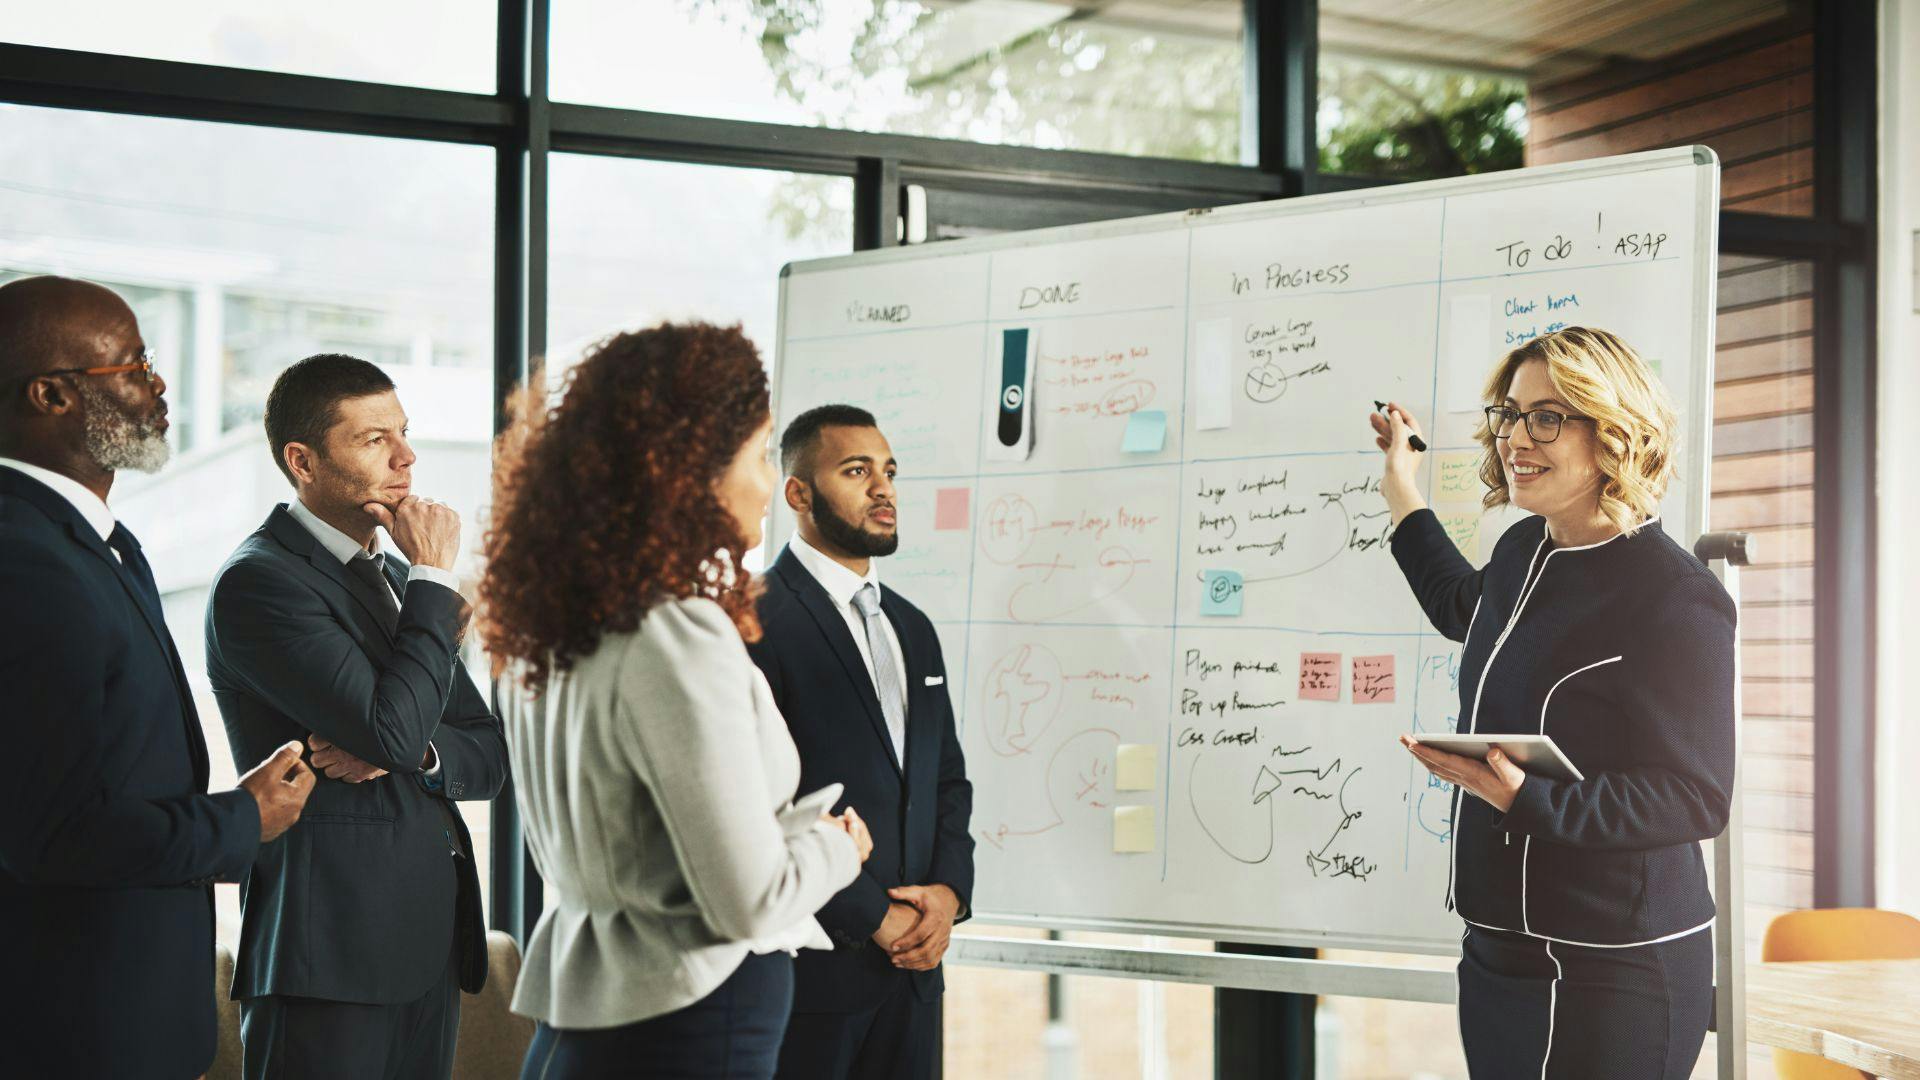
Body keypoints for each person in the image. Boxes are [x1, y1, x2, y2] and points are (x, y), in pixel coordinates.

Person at [483, 323, 871, 1080]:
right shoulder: (675, 635)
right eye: (759, 452)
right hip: (688, 1028)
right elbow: (752, 903)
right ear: (687, 467)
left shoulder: (555, 628)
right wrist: (836, 847)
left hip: (584, 1024)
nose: (770, 483)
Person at [1374, 326, 1735, 1078]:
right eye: (1510, 414)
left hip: (1618, 966)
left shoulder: (1676, 598)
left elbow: (1694, 797)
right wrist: (1401, 488)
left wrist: (1527, 799)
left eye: (1547, 416)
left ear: (1613, 433)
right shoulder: (1521, 551)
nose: (1515, 438)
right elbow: (1454, 603)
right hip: (1499, 950)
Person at [0, 275, 314, 1079]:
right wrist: (241, 819)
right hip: (77, 1031)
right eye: (133, 364)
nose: (157, 383)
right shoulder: (26, 562)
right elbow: (52, 834)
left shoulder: (93, 542)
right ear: (50, 395)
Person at [205, 353, 509, 1080]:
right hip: (326, 954)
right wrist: (438, 581)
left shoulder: (401, 576)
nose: (406, 457)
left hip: (425, 946)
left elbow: (488, 756)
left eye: (403, 433)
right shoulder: (260, 582)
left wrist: (414, 750)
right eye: (373, 439)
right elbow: (391, 730)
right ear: (302, 460)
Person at [750, 404, 975, 1080]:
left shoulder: (913, 626)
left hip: (914, 977)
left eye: (889, 471)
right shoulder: (754, 620)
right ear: (797, 493)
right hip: (811, 978)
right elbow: (762, 801)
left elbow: (946, 782)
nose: (884, 490)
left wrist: (948, 897)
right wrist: (875, 916)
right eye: (856, 471)